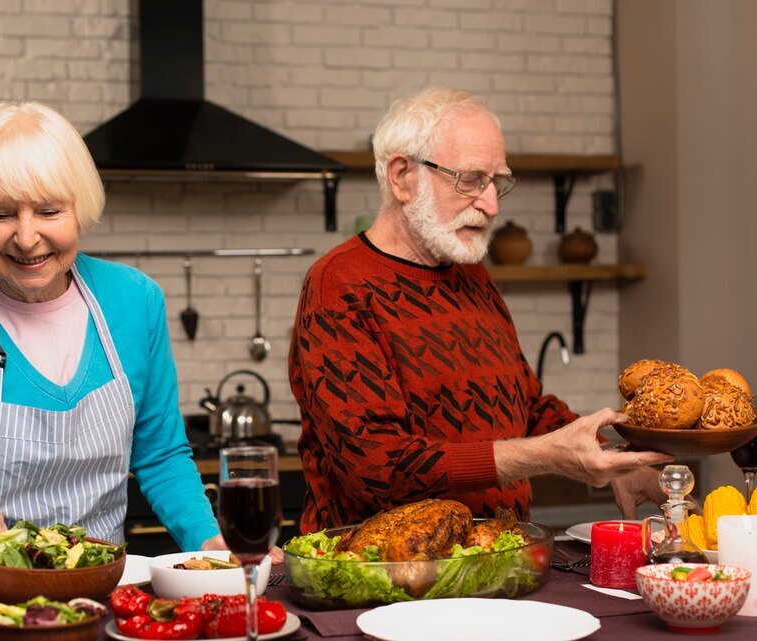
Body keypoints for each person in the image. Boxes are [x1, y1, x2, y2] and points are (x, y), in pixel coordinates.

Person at [288, 87, 672, 533]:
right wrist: (547, 454)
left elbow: (524, 406)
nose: (491, 205)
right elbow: (378, 466)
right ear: (402, 176)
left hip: (495, 565)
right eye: (470, 180)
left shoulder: (471, 274)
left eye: (497, 182)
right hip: (379, 580)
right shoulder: (338, 285)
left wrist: (619, 463)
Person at [0, 100, 221, 552]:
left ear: (80, 208)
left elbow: (162, 456)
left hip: (107, 591)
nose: (27, 239)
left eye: (49, 212)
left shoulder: (135, 301)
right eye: (1, 214)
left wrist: (213, 547)